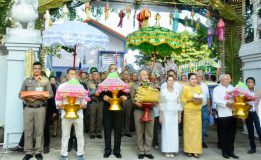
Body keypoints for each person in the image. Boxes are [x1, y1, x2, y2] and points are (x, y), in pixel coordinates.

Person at [20, 62, 53, 160]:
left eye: (39, 68)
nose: (37, 70)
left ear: (41, 69)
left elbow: (51, 94)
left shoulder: (45, 81)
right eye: (35, 68)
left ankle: (38, 151)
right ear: (32, 69)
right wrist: (27, 99)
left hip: (40, 108)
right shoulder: (26, 81)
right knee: (28, 130)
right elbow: (20, 94)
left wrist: (43, 97)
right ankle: (29, 152)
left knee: (39, 130)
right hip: (28, 108)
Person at [56, 68, 87, 160]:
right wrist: (61, 106)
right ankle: (64, 154)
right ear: (67, 75)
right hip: (66, 114)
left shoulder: (81, 86)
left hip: (78, 114)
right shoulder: (62, 87)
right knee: (65, 136)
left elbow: (84, 100)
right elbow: (57, 100)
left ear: (76, 76)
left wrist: (82, 105)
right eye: (71, 74)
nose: (73, 75)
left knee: (80, 135)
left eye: (74, 74)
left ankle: (80, 154)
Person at [102, 64, 126, 159]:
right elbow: (100, 92)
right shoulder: (104, 82)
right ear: (108, 70)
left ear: (117, 71)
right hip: (107, 108)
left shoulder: (122, 82)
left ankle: (117, 151)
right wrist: (103, 96)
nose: (113, 70)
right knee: (107, 130)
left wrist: (125, 96)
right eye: (111, 69)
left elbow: (125, 93)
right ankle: (107, 150)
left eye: (115, 69)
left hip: (118, 108)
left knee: (118, 130)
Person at [130, 70, 156, 159]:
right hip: (139, 110)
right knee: (139, 131)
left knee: (149, 131)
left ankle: (147, 151)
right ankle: (141, 151)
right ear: (139, 76)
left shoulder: (152, 85)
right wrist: (136, 103)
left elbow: (156, 96)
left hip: (150, 111)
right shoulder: (135, 86)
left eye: (146, 75)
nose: (145, 76)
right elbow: (133, 98)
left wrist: (154, 102)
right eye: (143, 75)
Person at [213, 74, 239, 159]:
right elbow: (215, 100)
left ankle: (231, 152)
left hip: (233, 113)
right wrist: (225, 103)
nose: (227, 80)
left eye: (228, 79)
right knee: (224, 134)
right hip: (223, 114)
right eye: (225, 79)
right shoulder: (217, 89)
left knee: (232, 134)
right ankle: (224, 152)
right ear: (221, 80)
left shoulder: (233, 88)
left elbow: (237, 99)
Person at [159, 75, 182, 158]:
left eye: (172, 80)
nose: (171, 82)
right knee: (166, 132)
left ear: (174, 81)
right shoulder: (163, 91)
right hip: (166, 114)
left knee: (174, 133)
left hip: (174, 114)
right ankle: (166, 150)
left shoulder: (177, 91)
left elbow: (179, 103)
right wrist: (160, 116)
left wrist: (180, 116)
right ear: (166, 81)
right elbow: (161, 104)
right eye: (169, 80)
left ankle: (173, 150)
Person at [181, 73, 203, 158]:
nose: (194, 80)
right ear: (189, 80)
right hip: (188, 112)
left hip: (197, 112)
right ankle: (189, 150)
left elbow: (201, 100)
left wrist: (198, 101)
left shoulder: (199, 88)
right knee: (188, 131)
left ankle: (196, 151)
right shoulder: (185, 88)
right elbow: (182, 100)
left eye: (195, 79)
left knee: (197, 132)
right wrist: (191, 99)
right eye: (192, 79)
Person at [245, 77, 261, 154]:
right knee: (250, 132)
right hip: (248, 114)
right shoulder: (243, 92)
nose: (250, 83)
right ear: (246, 83)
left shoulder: (259, 91)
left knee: (259, 130)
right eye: (248, 82)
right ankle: (253, 148)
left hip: (256, 113)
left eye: (251, 82)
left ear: (254, 83)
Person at [87, 67, 103, 139]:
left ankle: (99, 132)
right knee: (92, 117)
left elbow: (104, 91)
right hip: (93, 102)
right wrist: (95, 91)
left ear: (99, 75)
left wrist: (99, 90)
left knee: (100, 117)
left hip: (100, 102)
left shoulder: (102, 83)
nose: (94, 76)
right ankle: (92, 132)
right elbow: (87, 93)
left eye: (96, 74)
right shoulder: (89, 83)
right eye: (93, 75)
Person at [196, 71, 211, 148]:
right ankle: (196, 142)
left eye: (200, 76)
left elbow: (208, 97)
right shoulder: (192, 85)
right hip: (195, 109)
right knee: (195, 126)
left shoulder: (205, 85)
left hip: (204, 108)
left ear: (202, 77)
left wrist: (209, 107)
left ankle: (202, 141)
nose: (198, 78)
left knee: (204, 125)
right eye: (197, 76)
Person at [121, 70, 134, 137]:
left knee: (128, 116)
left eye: (128, 74)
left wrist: (128, 90)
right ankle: (121, 131)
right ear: (123, 75)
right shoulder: (120, 82)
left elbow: (133, 90)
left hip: (129, 100)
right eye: (125, 74)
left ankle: (127, 130)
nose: (127, 75)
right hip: (122, 100)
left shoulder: (132, 83)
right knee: (121, 116)